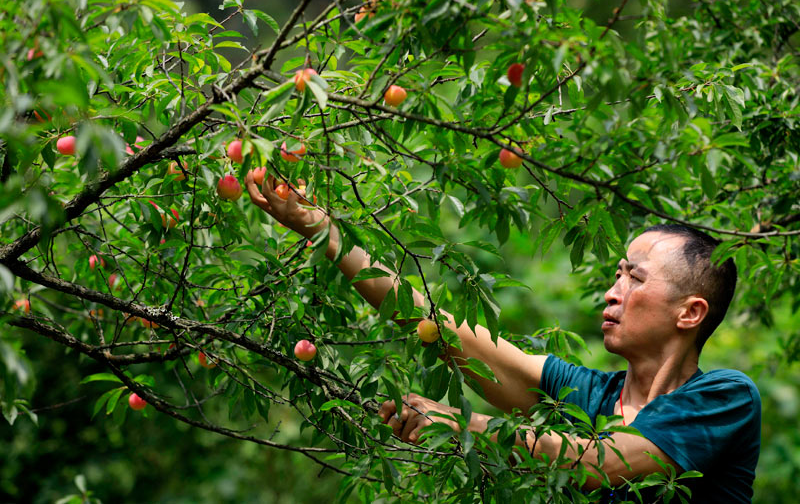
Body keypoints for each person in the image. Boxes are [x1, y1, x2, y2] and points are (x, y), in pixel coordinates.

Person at [245, 172, 761, 502]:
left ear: (691, 313)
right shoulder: (583, 397)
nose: (611, 291)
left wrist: (463, 425)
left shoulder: (726, 398)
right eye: (617, 273)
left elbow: (607, 463)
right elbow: (439, 329)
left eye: (635, 278)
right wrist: (321, 229)